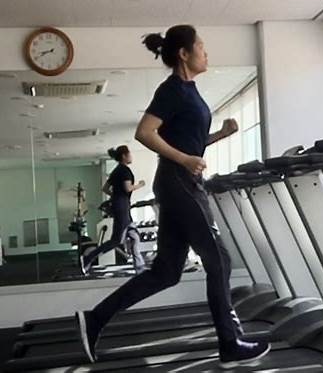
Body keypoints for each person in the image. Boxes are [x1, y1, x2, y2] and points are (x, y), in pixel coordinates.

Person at [76, 25, 271, 369]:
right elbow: (144, 133)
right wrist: (184, 160)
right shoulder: (173, 90)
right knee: (220, 260)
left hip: (178, 182)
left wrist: (220, 135)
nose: (206, 53)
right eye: (201, 46)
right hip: (180, 182)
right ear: (184, 53)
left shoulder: (188, 91)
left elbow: (186, 141)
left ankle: (96, 318)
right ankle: (230, 344)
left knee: (167, 271)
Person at [80, 145, 146, 274]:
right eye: (129, 154)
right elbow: (128, 188)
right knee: (116, 241)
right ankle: (88, 258)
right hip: (122, 207)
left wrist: (116, 196)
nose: (131, 156)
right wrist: (140, 184)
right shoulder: (125, 171)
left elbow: (105, 188)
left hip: (121, 205)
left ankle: (139, 266)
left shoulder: (116, 171)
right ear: (124, 156)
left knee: (134, 236)